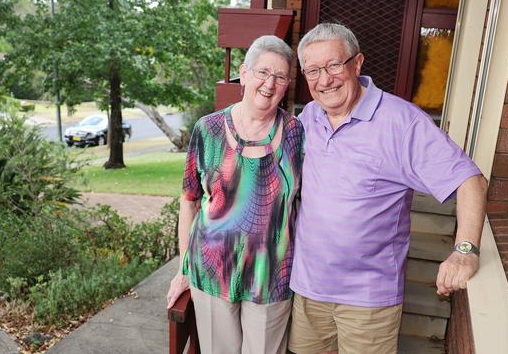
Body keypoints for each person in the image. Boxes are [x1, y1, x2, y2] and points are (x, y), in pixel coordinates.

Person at [288, 23, 488, 354]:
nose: (325, 80)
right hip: (308, 291)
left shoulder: (401, 122)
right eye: (313, 70)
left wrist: (465, 252)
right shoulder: (309, 117)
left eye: (334, 65)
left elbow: (471, 181)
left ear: (357, 63)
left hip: (367, 301)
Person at [166, 35, 304, 354]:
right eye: (262, 72)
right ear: (243, 73)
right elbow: (188, 202)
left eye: (280, 76)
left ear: (287, 85)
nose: (270, 83)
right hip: (212, 271)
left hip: (272, 275)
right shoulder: (208, 130)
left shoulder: (298, 134)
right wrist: (183, 269)